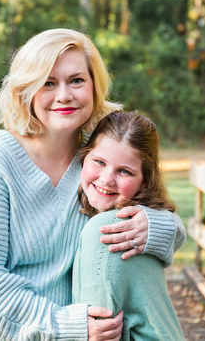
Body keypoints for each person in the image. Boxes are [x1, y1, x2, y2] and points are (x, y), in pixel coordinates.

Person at [0, 29, 185, 341]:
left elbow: (158, 209)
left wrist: (155, 226)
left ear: (94, 86)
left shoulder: (97, 160)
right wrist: (63, 324)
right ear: (26, 90)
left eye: (76, 80)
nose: (64, 95)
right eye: (48, 82)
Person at [72, 110, 185, 340]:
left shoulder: (107, 230)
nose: (106, 179)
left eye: (124, 171)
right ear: (84, 157)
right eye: (100, 162)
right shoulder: (140, 224)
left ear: (145, 183)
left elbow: (100, 331)